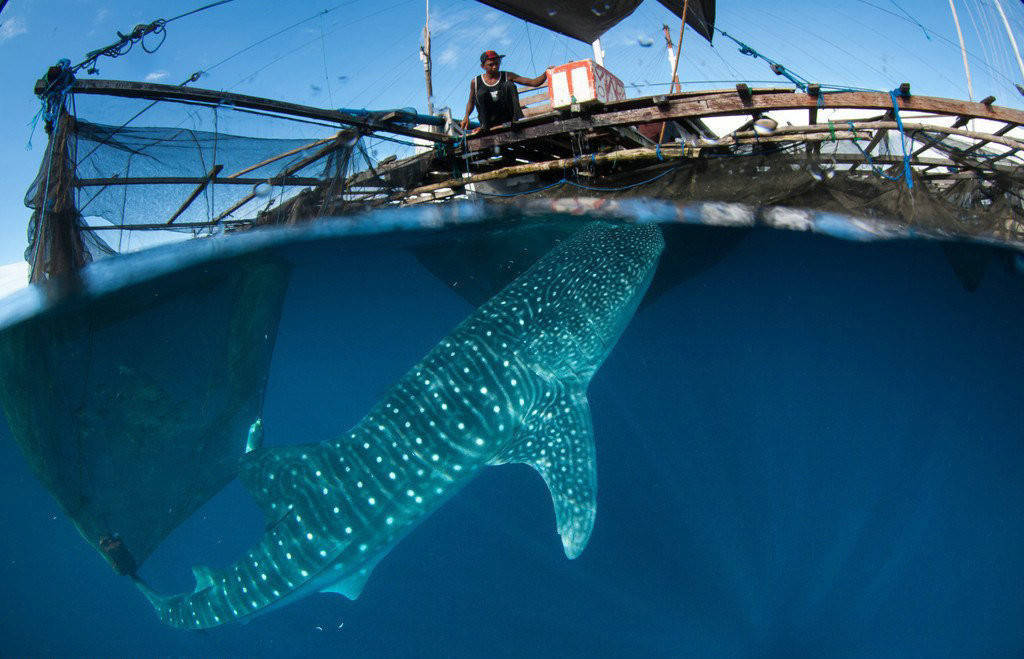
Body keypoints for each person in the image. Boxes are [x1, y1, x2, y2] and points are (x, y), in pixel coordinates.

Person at [460, 50, 549, 133]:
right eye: (491, 65)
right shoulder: (475, 82)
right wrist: (466, 116)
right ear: (483, 66)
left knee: (509, 85)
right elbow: (471, 101)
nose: (495, 67)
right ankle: (485, 126)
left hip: (505, 117)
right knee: (481, 93)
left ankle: (515, 121)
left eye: (497, 64)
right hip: (489, 120)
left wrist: (546, 73)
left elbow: (534, 82)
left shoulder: (507, 76)